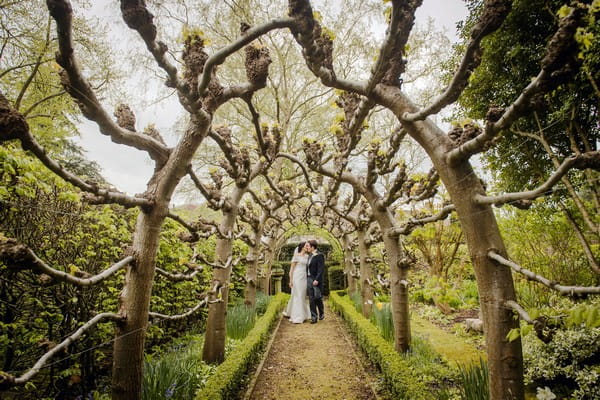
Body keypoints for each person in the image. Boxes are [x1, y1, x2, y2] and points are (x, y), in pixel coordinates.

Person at [283, 242, 311, 323]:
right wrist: (290, 280)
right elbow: (291, 270)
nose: (307, 247)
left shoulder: (307, 256)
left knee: (302, 295)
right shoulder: (296, 256)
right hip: (297, 277)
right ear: (302, 247)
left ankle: (304, 313)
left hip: (304, 277)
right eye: (306, 246)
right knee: (297, 295)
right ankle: (297, 316)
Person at [305, 239, 325, 323]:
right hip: (309, 278)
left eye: (308, 246)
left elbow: (321, 269)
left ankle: (321, 312)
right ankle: (314, 317)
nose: (306, 248)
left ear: (312, 247)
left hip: (316, 279)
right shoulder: (309, 256)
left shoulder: (319, 255)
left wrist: (316, 279)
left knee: (317, 297)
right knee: (311, 298)